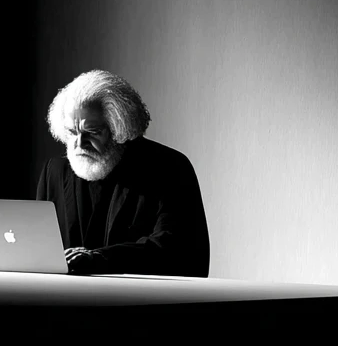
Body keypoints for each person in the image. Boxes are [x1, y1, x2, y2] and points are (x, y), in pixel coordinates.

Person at [36, 70, 210, 277]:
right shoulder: (55, 171)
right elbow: (39, 248)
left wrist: (98, 259)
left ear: (119, 127)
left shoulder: (169, 167)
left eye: (92, 132)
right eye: (72, 132)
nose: (79, 144)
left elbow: (178, 250)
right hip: (64, 303)